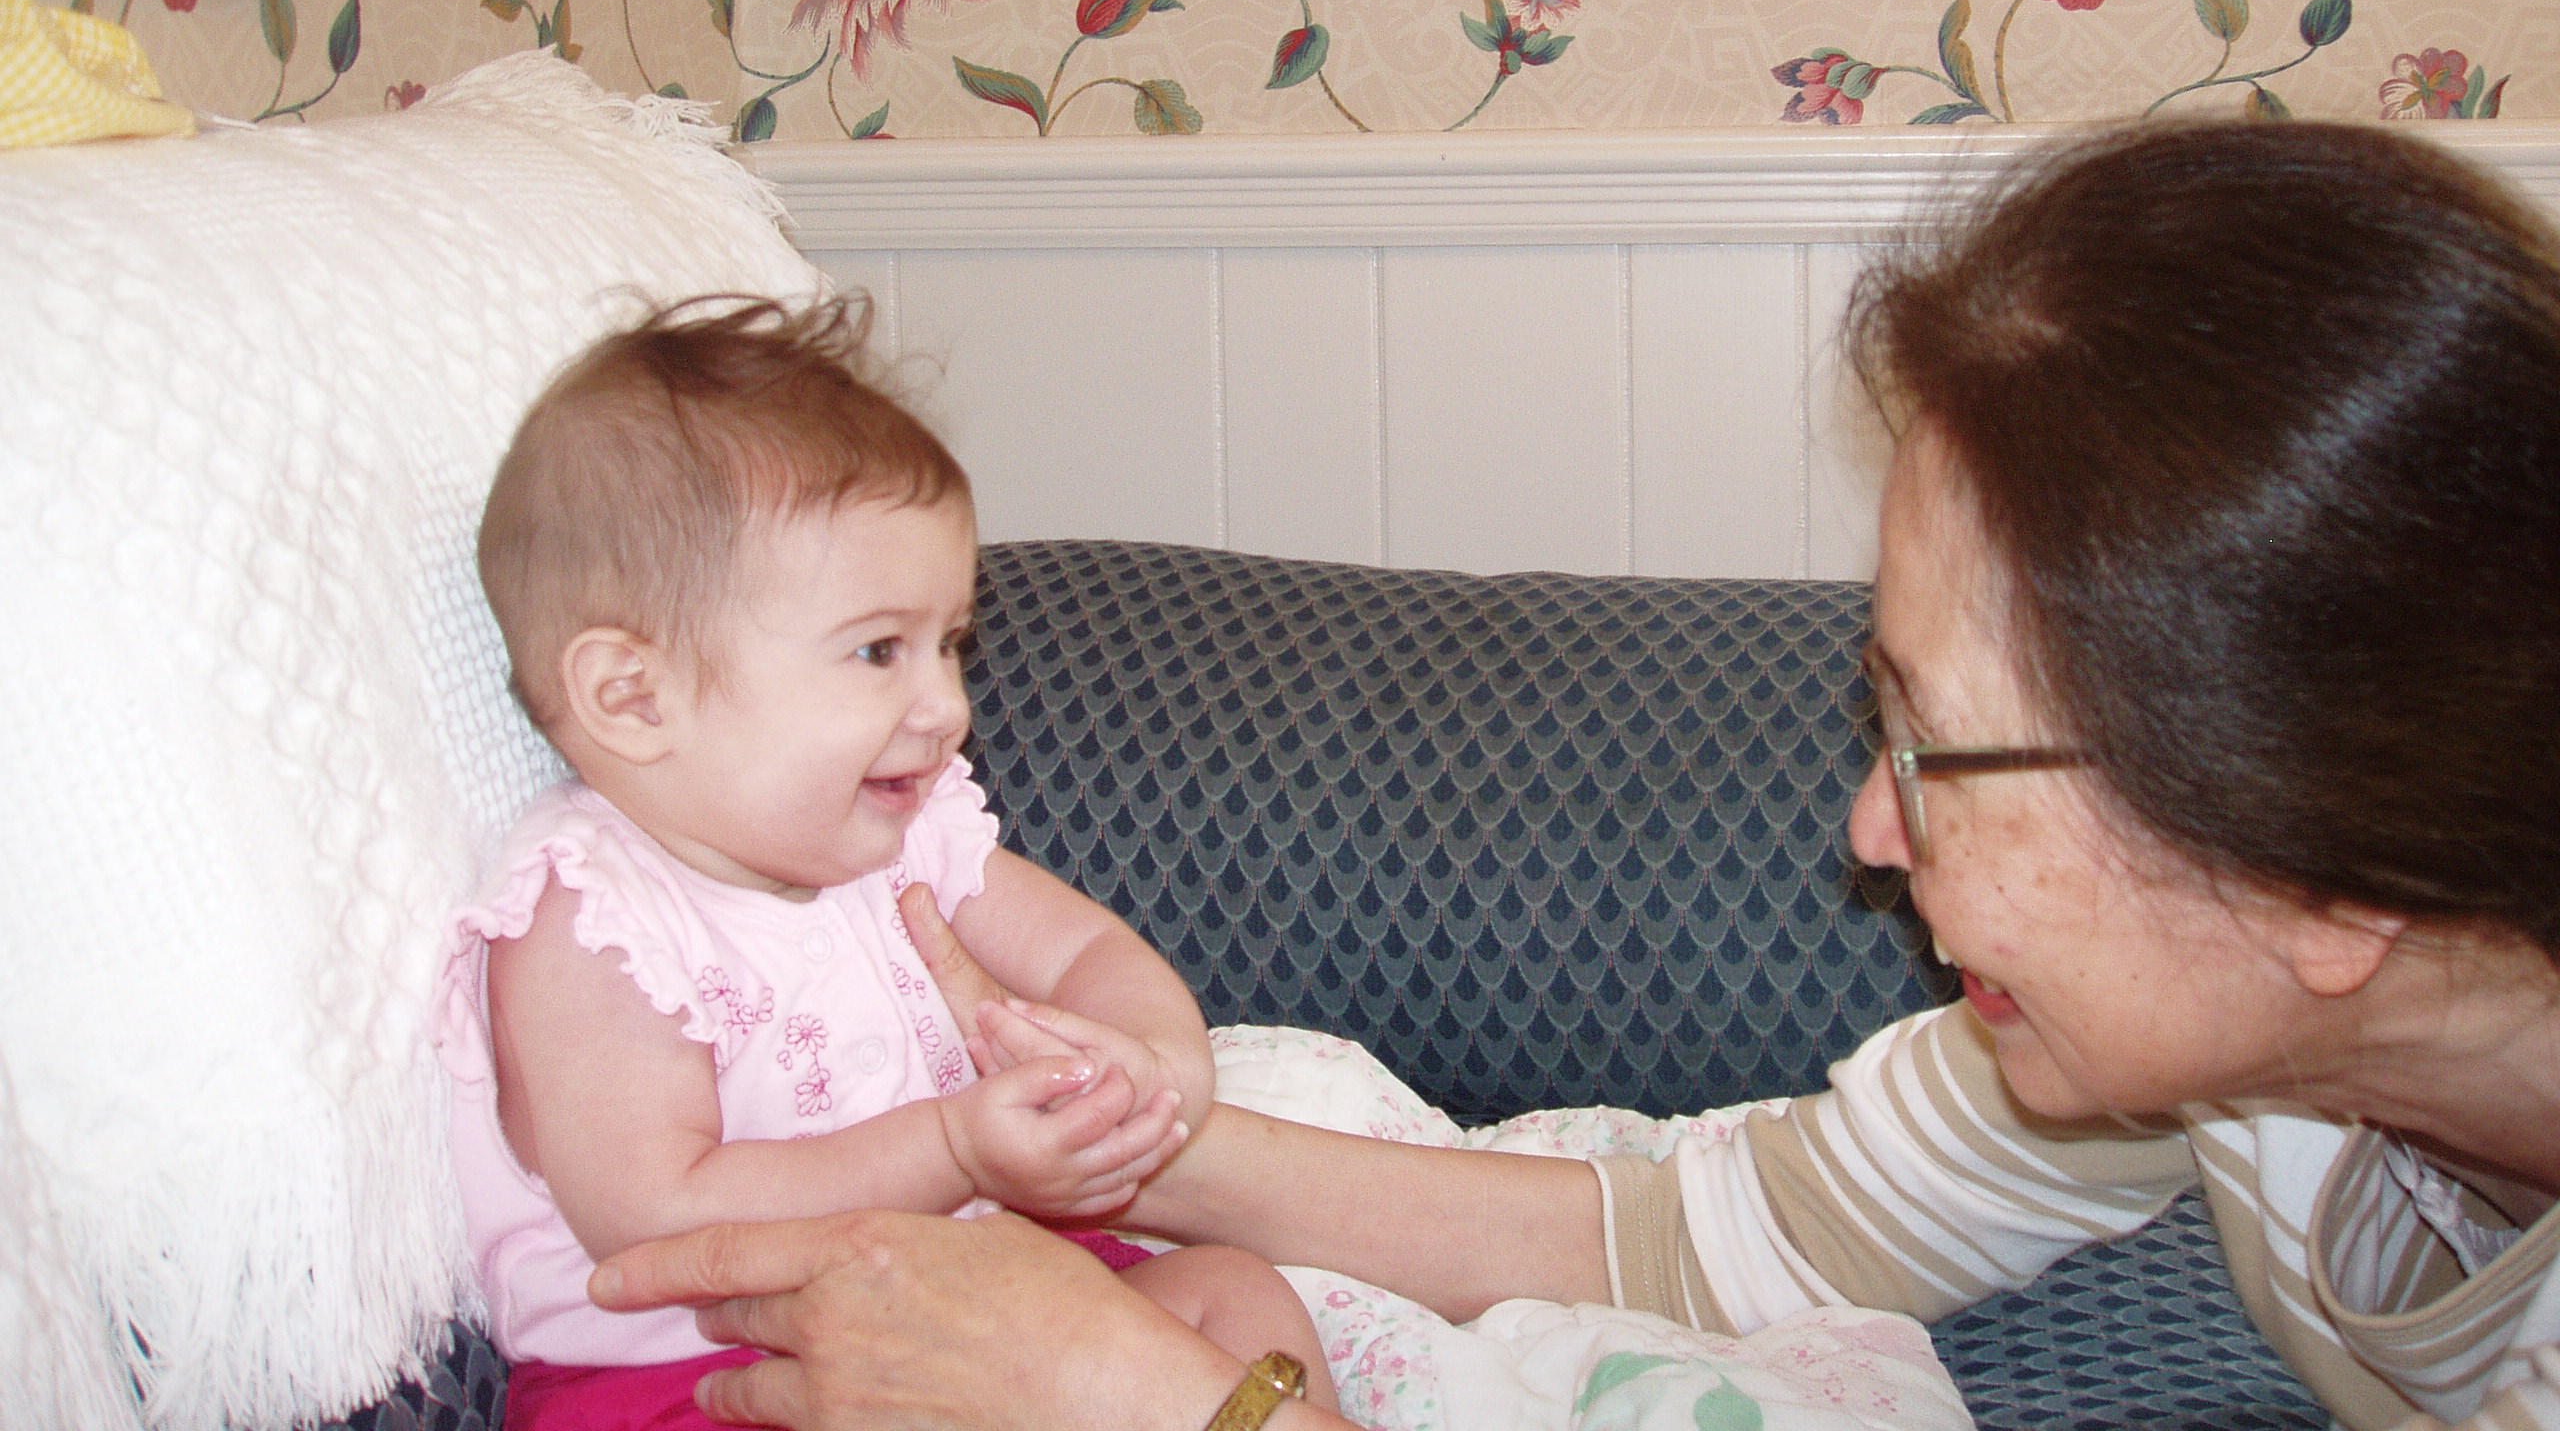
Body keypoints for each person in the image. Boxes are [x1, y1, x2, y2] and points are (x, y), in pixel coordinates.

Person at [588, 121, 2560, 1431]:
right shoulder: (2218, 1035)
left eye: (1939, 752)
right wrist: (1043, 1136)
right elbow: (1690, 1239)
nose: (1868, 829)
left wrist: (1169, 1413)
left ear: (2323, 879)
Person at [438, 294, 1337, 1430]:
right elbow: (658, 1216)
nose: (947, 705)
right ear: (634, 697)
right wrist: (956, 1146)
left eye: (948, 643)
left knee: (1234, 1297)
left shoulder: (903, 835)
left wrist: (1157, 1063)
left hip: (971, 1296)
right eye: (878, 651)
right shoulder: (593, 921)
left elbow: (1083, 951)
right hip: (692, 1377)